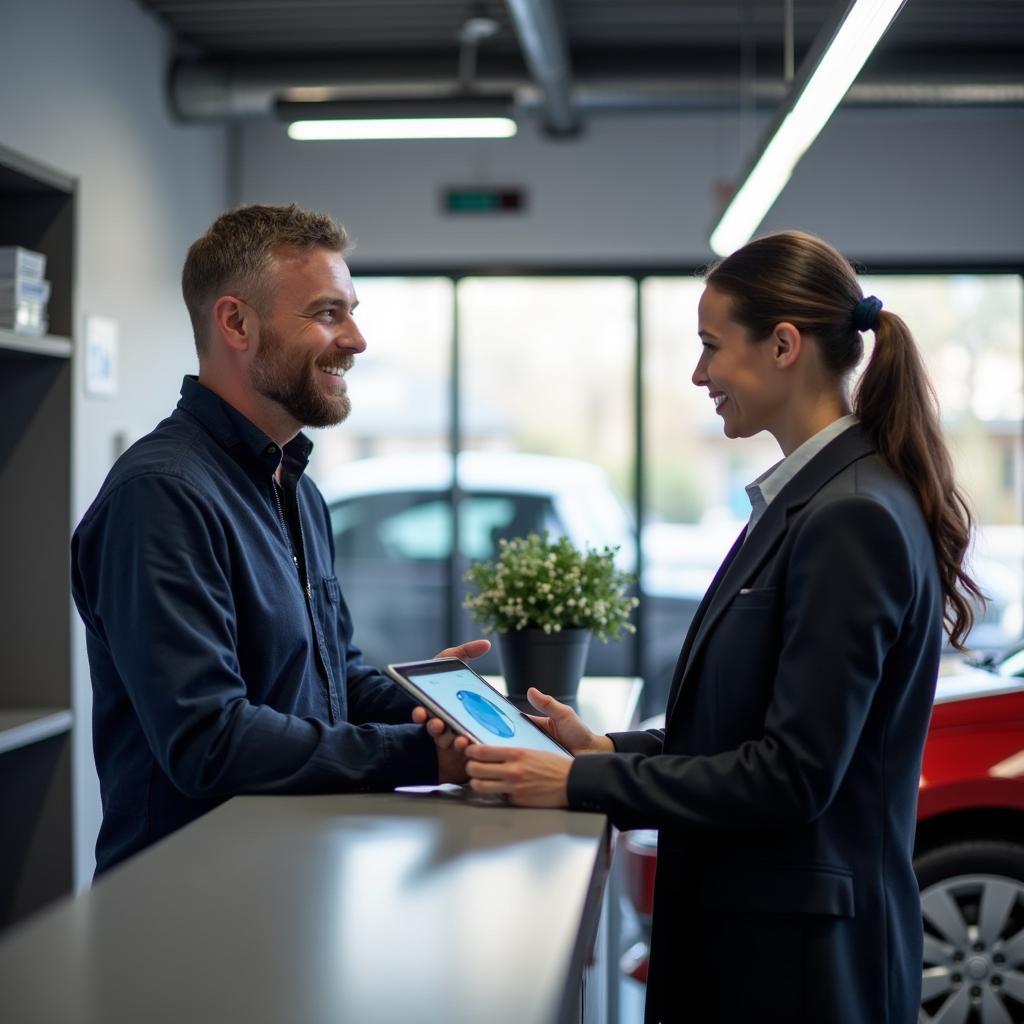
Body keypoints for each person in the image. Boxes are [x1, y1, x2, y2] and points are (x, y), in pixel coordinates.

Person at [419, 231, 983, 1023]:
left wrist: (578, 782)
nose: (699, 374)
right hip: (768, 943)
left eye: (712, 346)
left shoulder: (849, 515)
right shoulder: (810, 500)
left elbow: (792, 775)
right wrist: (605, 748)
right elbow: (742, 724)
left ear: (783, 345)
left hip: (799, 969)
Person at [72, 203, 487, 875]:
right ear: (236, 322)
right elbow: (210, 740)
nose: (356, 339)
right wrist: (418, 755)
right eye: (328, 314)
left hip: (295, 870)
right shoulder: (161, 496)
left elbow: (332, 678)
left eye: (352, 310)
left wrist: (438, 708)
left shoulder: (295, 486)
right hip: (184, 902)